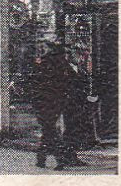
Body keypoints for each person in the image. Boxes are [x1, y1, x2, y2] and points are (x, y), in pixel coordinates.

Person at [23, 41, 84, 169]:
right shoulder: (60, 63)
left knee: (48, 129)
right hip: (53, 102)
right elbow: (72, 79)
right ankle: (58, 159)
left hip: (42, 102)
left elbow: (32, 82)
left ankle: (46, 158)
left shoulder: (43, 62)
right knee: (50, 130)